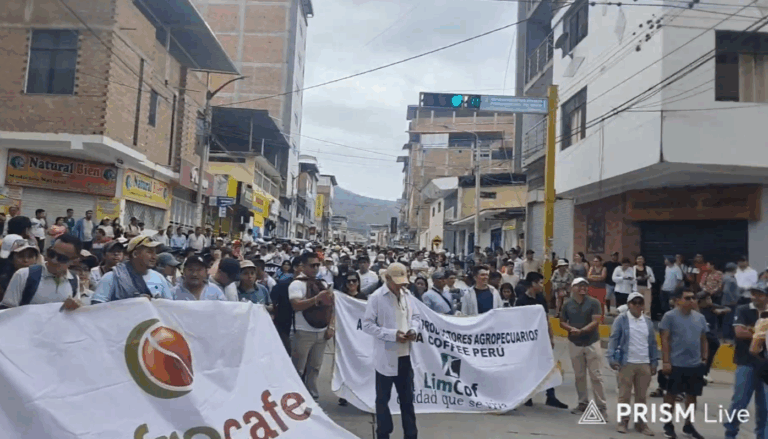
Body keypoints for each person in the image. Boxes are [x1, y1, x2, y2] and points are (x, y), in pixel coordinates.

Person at [362, 262, 420, 439]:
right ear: (387, 279)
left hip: (405, 355)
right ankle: (383, 434)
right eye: (397, 281)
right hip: (386, 356)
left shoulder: (407, 295)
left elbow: (416, 317)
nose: (401, 285)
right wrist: (391, 334)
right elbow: (367, 325)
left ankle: (411, 434)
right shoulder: (377, 297)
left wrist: (413, 330)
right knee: (383, 400)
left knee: (407, 400)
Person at [658, 287, 708, 439]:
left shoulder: (700, 318)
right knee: (671, 395)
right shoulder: (669, 317)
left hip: (694, 364)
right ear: (678, 300)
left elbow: (704, 339)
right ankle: (668, 424)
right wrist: (666, 361)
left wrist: (704, 359)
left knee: (692, 397)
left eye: (693, 298)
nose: (692, 300)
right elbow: (664, 340)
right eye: (687, 298)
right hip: (676, 363)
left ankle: (688, 425)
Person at [606, 291, 658, 436]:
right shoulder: (621, 320)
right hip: (626, 363)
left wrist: (654, 362)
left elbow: (652, 343)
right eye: (634, 303)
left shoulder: (647, 322)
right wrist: (611, 358)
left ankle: (641, 424)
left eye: (640, 303)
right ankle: (623, 421)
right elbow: (613, 339)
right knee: (624, 395)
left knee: (642, 397)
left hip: (644, 363)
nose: (637, 305)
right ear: (629, 305)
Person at [517, 272, 568, 409]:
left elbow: (546, 319)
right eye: (539, 282)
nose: (541, 285)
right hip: (527, 340)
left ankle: (550, 396)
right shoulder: (521, 300)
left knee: (547, 366)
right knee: (528, 368)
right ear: (532, 284)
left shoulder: (540, 298)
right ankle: (527, 395)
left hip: (541, 338)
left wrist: (550, 337)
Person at [724, 281, 768, 439]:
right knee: (739, 403)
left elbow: (746, 331)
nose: (755, 297)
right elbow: (739, 332)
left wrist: (753, 330)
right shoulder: (744, 309)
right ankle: (730, 433)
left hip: (766, 366)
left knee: (765, 408)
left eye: (759, 294)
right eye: (753, 293)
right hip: (746, 362)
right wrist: (762, 333)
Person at [289, 252, 334, 401]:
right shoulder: (297, 284)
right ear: (303, 266)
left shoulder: (323, 284)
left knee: (315, 366)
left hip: (321, 333)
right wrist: (316, 299)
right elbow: (296, 305)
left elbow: (331, 307)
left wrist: (331, 327)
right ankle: (293, 394)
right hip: (303, 332)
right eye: (312, 265)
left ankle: (311, 394)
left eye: (317, 265)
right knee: (298, 367)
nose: (315, 268)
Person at [560, 278, 607, 419]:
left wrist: (581, 331)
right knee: (579, 375)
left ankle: (601, 407)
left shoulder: (594, 302)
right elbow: (562, 322)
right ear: (573, 287)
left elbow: (596, 321)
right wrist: (571, 329)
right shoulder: (567, 304)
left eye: (585, 286)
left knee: (596, 376)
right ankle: (582, 403)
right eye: (580, 286)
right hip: (575, 343)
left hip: (591, 342)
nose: (583, 288)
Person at [0, 234, 81, 309]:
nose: (54, 260)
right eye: (51, 254)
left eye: (62, 258)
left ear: (74, 261)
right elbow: (7, 312)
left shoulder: (74, 280)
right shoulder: (24, 275)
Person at [90, 236, 173, 303]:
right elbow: (97, 308)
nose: (154, 257)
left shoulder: (159, 278)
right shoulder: (112, 277)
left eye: (155, 253)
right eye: (149, 252)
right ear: (135, 254)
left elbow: (168, 307)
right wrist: (133, 303)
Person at [696, 291, 727, 380]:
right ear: (701, 301)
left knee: (709, 356)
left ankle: (705, 372)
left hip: (712, 337)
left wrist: (720, 311)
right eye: (707, 298)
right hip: (702, 336)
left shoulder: (712, 307)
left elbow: (727, 308)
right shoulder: (696, 310)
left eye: (710, 298)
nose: (710, 300)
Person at [0, 235, 41, 299]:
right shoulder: (3, 282)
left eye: (30, 256)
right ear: (11, 258)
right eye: (21, 256)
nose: (26, 260)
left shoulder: (42, 279)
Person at [721, 262, 741, 341]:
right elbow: (726, 290)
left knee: (728, 319)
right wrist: (733, 299)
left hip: (728, 302)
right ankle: (727, 337)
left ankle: (727, 336)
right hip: (730, 303)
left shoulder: (726, 277)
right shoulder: (729, 279)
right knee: (729, 320)